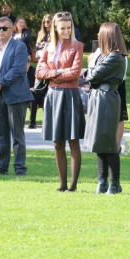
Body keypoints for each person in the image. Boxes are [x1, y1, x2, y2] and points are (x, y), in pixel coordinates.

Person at [35, 12, 85, 191]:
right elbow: (38, 72)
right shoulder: (49, 46)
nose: (66, 31)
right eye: (62, 28)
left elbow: (75, 73)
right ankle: (62, 184)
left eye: (68, 28)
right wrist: (56, 73)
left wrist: (53, 74)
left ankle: (73, 185)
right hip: (52, 95)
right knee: (57, 142)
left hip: (70, 95)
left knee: (73, 140)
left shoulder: (77, 46)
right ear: (55, 28)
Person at [0, 16, 32, 175]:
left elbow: (18, 70)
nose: (1, 31)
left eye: (4, 28)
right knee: (0, 134)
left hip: (15, 96)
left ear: (11, 30)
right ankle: (1, 167)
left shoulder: (20, 47)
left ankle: (20, 168)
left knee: (17, 135)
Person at [84, 22, 127, 194]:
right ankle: (102, 181)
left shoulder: (115, 57)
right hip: (98, 97)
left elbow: (93, 75)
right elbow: (93, 76)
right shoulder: (104, 55)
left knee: (108, 142)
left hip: (107, 98)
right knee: (99, 141)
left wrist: (89, 70)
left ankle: (114, 183)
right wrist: (91, 72)